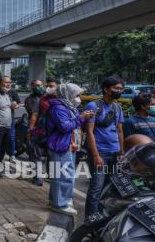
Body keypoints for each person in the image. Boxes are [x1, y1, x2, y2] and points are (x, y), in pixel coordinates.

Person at [46, 83, 94, 216]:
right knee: (65, 176)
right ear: (68, 94)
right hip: (61, 145)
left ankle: (56, 200)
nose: (79, 97)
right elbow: (65, 127)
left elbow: (75, 124)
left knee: (60, 175)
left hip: (69, 145)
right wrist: (81, 117)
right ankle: (59, 204)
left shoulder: (69, 106)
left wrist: (84, 117)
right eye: (77, 95)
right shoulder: (59, 108)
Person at [83, 76, 125, 219]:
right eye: (116, 88)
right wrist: (96, 155)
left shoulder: (118, 108)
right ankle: (90, 219)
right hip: (99, 152)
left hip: (114, 153)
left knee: (108, 188)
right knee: (96, 187)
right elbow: (89, 132)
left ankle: (101, 216)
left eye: (120, 89)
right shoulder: (93, 106)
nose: (119, 91)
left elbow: (119, 131)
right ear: (106, 89)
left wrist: (121, 151)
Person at [25, 80, 45, 186]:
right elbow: (33, 115)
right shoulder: (29, 99)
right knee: (34, 152)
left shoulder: (48, 97)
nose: (38, 87)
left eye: (40, 85)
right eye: (36, 85)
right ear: (32, 86)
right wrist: (30, 129)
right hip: (37, 128)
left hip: (48, 129)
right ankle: (37, 177)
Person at [7, 81, 20, 162]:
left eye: (9, 82)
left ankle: (12, 155)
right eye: (6, 82)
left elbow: (18, 103)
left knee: (11, 137)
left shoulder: (13, 92)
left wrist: (15, 105)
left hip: (10, 119)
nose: (8, 84)